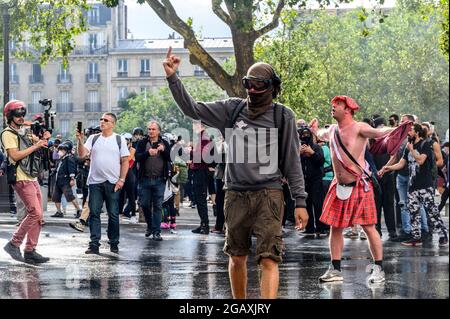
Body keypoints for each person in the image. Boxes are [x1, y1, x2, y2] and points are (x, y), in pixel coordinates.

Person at [163, 47, 308, 299]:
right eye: (247, 84)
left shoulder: (283, 115)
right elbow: (193, 109)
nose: (251, 89)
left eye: (258, 84)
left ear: (272, 87)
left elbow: (292, 160)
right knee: (237, 256)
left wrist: (300, 201)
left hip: (269, 195)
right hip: (235, 194)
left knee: (269, 259)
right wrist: (173, 78)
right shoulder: (233, 109)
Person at [318, 96, 394, 284]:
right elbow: (321, 133)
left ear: (348, 110)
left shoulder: (359, 127)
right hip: (338, 186)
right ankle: (335, 270)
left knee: (369, 227)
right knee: (335, 228)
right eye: (333, 105)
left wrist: (398, 129)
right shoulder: (333, 130)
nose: (333, 107)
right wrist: (314, 129)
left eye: (337, 105)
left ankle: (379, 270)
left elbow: (379, 132)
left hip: (359, 185)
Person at [381, 124, 448, 247]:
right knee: (413, 212)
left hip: (425, 185)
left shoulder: (425, 144)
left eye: (411, 130)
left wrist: (412, 149)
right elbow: (401, 164)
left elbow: (421, 160)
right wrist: (387, 168)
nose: (408, 132)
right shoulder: (408, 146)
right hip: (413, 186)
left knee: (432, 211)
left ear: (417, 132)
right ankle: (416, 237)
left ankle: (443, 235)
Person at [1, 100, 50, 264]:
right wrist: (36, 146)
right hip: (21, 178)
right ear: (9, 116)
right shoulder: (8, 133)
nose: (21, 117)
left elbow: (40, 143)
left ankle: (30, 250)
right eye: (17, 114)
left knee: (39, 216)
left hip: (32, 177)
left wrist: (43, 139)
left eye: (23, 113)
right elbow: (14, 156)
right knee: (34, 212)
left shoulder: (24, 132)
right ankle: (14, 243)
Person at [76, 112, 130, 254]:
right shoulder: (93, 138)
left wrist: (122, 180)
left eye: (106, 120)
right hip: (95, 182)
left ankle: (114, 242)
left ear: (112, 124)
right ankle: (94, 244)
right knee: (94, 213)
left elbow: (125, 161)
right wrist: (80, 141)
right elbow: (82, 154)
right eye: (101, 119)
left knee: (113, 214)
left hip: (113, 183)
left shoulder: (119, 139)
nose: (102, 122)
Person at [135, 120, 171, 241]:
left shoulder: (164, 143)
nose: (151, 131)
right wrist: (147, 153)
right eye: (149, 129)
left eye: (153, 129)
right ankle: (150, 225)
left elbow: (170, 157)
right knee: (144, 204)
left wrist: (163, 150)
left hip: (160, 180)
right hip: (144, 179)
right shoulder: (142, 142)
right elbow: (137, 157)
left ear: (158, 131)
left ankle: (156, 231)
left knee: (157, 206)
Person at [298, 126, 328, 238]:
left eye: (307, 134)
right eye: (303, 134)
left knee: (318, 204)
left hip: (316, 180)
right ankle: (309, 227)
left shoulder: (316, 147)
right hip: (303, 181)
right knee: (307, 205)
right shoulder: (297, 148)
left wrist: (312, 153)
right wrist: (299, 154)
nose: (305, 136)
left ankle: (321, 227)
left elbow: (321, 162)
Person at [51, 141, 82, 218]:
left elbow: (71, 169)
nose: (60, 151)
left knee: (70, 196)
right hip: (58, 180)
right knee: (56, 197)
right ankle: (59, 212)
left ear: (67, 151)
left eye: (63, 150)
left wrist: (72, 179)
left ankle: (79, 210)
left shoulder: (69, 159)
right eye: (60, 149)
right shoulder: (61, 159)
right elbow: (57, 169)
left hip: (65, 181)